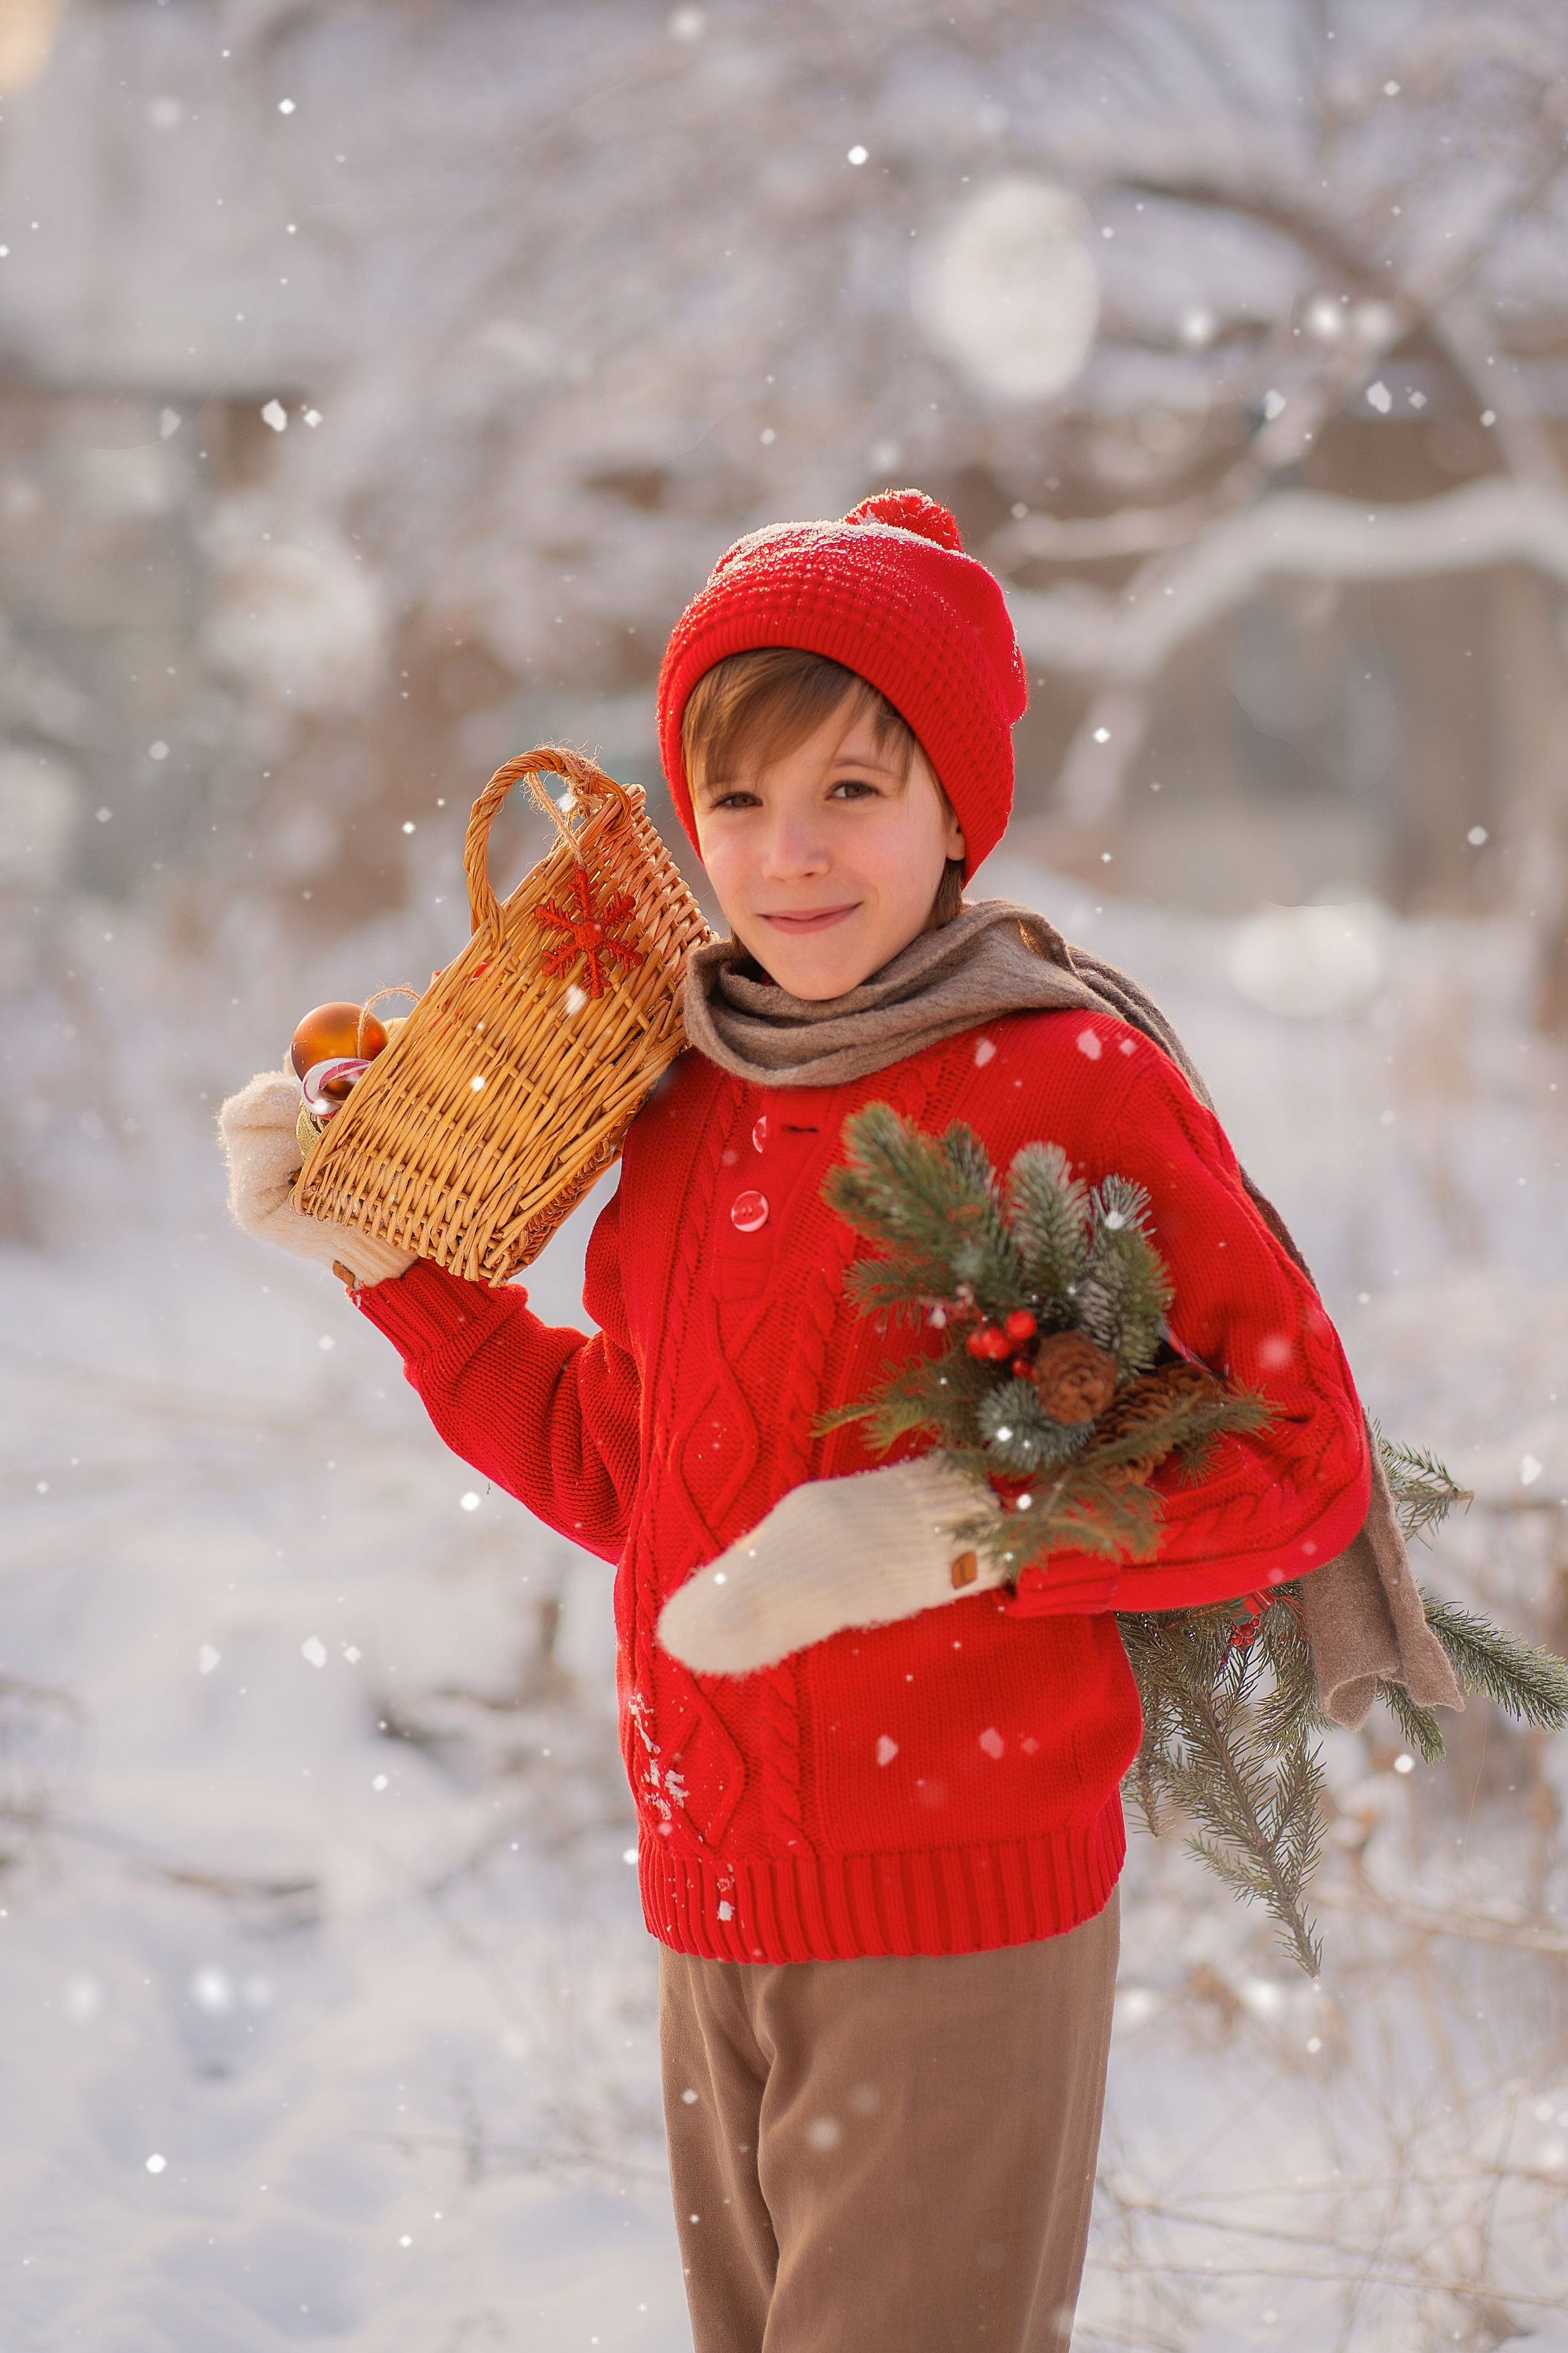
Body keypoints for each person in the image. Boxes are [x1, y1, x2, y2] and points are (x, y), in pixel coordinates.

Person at [219, 489, 1452, 2353]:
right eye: (737, 800)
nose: (787, 855)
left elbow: (1292, 1458)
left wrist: (933, 1532)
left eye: (852, 792)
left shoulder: (1062, 1072)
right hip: (712, 1913)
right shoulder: (689, 1098)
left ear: (956, 812)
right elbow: (628, 1472)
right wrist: (392, 1267)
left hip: (956, 1920)